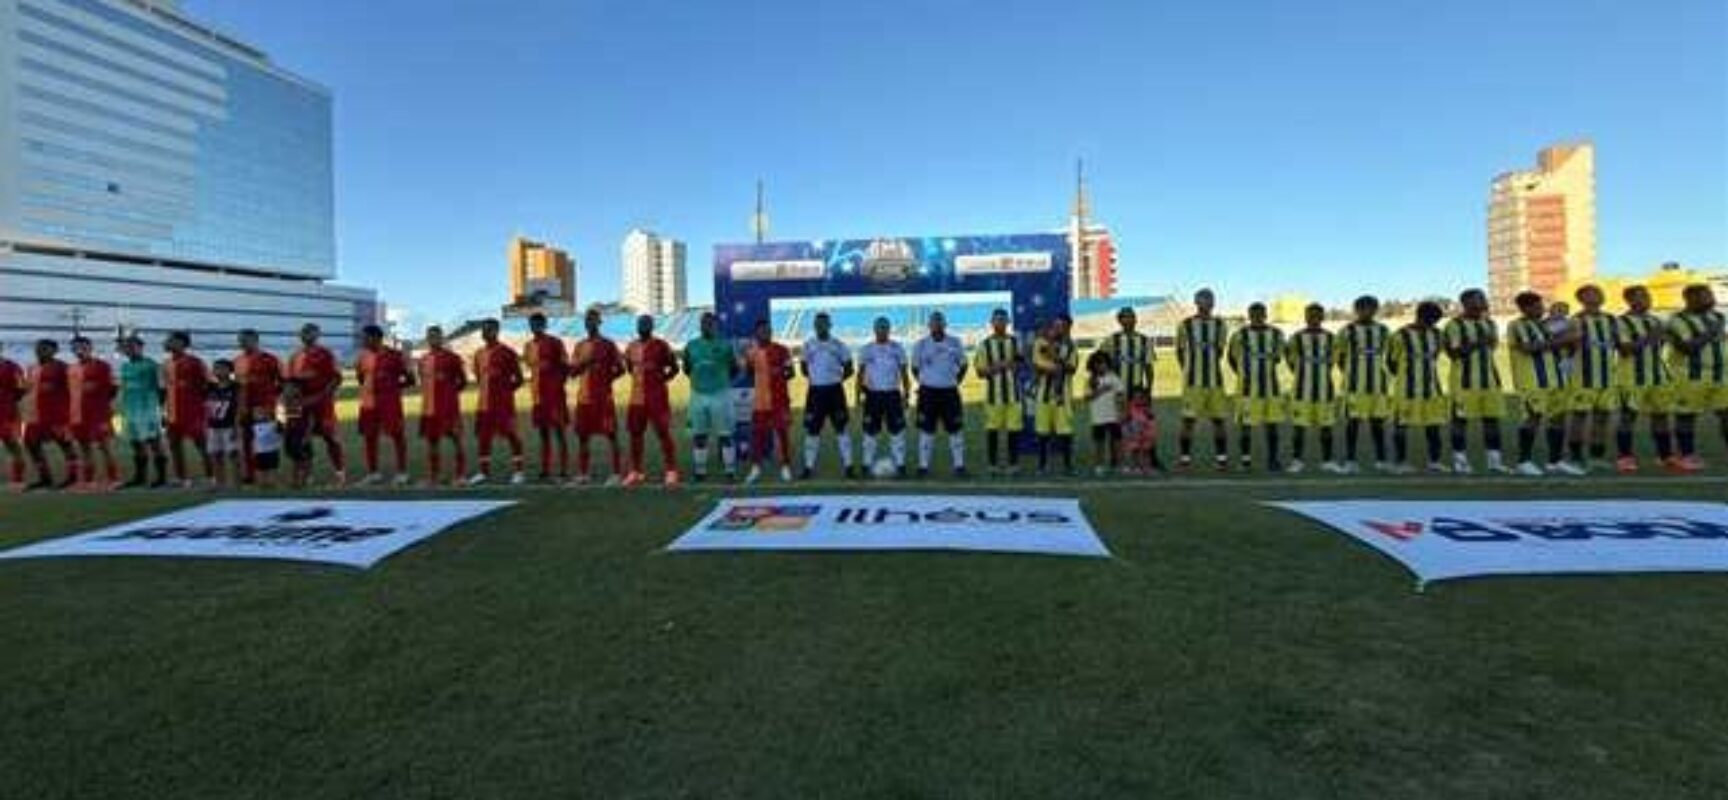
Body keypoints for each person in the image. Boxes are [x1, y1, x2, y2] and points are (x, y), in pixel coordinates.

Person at [1506, 291, 1580, 476]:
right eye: (1537, 306)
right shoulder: (1517, 325)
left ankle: (1555, 461)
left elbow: (1568, 346)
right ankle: (1523, 461)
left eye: (1541, 305)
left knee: (1558, 419)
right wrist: (1565, 339)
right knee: (1533, 419)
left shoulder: (1548, 325)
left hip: (1557, 379)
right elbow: (1529, 348)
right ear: (1524, 308)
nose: (1541, 309)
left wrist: (1571, 340)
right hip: (1533, 381)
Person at [1442, 289, 1510, 474]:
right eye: (1478, 299)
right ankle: (1460, 461)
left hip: (1490, 381)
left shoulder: (1489, 323)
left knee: (1492, 421)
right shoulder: (1454, 325)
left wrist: (1484, 342)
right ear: (1466, 303)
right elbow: (1454, 353)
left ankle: (1494, 461)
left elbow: (1492, 348)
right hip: (1464, 382)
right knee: (1460, 421)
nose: (1483, 301)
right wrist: (1479, 342)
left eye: (1483, 298)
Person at [1613, 284, 1675, 472]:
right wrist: (1651, 336)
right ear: (1630, 300)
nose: (1648, 299)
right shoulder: (1620, 322)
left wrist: (1661, 337)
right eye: (1643, 296)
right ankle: (1625, 458)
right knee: (1628, 417)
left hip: (1658, 376)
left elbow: (1660, 346)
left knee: (1661, 416)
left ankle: (1665, 457)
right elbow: (1624, 350)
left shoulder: (1655, 321)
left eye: (1648, 296)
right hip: (1631, 377)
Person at [1666, 283, 1726, 472]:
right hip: (1689, 376)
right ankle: (1687, 456)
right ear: (1690, 299)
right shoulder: (1677, 320)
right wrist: (1712, 331)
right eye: (1706, 296)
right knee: (1686, 416)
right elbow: (1688, 347)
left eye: (1710, 295)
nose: (1712, 299)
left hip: (1721, 375)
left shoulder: (1717, 316)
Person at [1387, 301, 1449, 474]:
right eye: (1431, 319)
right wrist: (1406, 375)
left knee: (1433, 426)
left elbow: (1435, 357)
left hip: (1432, 388)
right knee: (1402, 426)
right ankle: (1401, 462)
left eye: (1436, 320)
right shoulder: (1400, 335)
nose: (1433, 323)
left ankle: (1434, 461)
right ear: (1420, 316)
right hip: (1406, 389)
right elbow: (1391, 363)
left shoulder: (1438, 335)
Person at [1226, 302, 1287, 472]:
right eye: (1254, 314)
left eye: (1261, 314)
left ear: (1265, 315)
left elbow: (1278, 358)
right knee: (1246, 426)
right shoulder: (1240, 335)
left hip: (1270, 389)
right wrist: (1243, 375)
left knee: (1272, 425)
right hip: (1247, 389)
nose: (1257, 317)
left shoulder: (1276, 334)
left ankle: (1273, 460)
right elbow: (1231, 358)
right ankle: (1245, 461)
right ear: (1249, 315)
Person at [1335, 296, 1391, 473]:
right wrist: (1351, 373)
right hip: (1354, 386)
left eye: (1371, 308)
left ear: (1376, 310)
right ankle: (1351, 461)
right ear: (1356, 310)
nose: (1367, 311)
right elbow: (1340, 357)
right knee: (1353, 424)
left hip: (1377, 385)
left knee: (1378, 424)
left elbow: (1388, 355)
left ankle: (1381, 459)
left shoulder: (1383, 330)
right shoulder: (1347, 331)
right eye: (1363, 308)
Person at [1176, 288, 1231, 470]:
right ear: (1196, 302)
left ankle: (1222, 459)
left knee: (1218, 420)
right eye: (1202, 300)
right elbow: (1180, 351)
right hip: (1193, 383)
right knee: (1188, 421)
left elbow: (1221, 351)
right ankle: (1185, 459)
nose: (1206, 303)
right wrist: (1189, 370)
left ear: (1213, 303)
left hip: (1215, 382)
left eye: (1209, 300)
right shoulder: (1185, 325)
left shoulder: (1221, 325)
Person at [467, 318, 527, 486]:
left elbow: (519, 379)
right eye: (483, 330)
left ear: (496, 331)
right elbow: (480, 378)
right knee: (483, 437)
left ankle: (519, 472)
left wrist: (506, 392)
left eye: (487, 330)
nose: (484, 333)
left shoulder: (507, 352)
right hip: (483, 404)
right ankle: (483, 472)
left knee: (511, 434)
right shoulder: (478, 354)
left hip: (503, 403)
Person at [623, 314, 681, 487]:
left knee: (663, 433)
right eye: (641, 324)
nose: (643, 326)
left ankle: (671, 471)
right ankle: (636, 472)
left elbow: (674, 368)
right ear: (637, 327)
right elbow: (629, 367)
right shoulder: (631, 346)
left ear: (652, 326)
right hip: (636, 398)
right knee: (635, 435)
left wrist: (662, 380)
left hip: (657, 398)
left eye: (647, 324)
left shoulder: (661, 345)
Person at [1566, 285, 1619, 471]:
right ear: (1581, 299)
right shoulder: (1576, 320)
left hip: (1607, 377)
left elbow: (1618, 344)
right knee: (1579, 416)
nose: (1598, 295)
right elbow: (1568, 349)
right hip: (1583, 377)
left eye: (1599, 292)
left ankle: (1596, 456)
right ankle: (1575, 456)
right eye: (1592, 293)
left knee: (1602, 417)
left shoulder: (1611, 319)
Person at [1285, 303, 1342, 473]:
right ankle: (1297, 461)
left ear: (1322, 317)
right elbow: (1290, 361)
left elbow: (1333, 361)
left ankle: (1327, 461)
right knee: (1299, 428)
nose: (1314, 319)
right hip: (1302, 390)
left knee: (1326, 427)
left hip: (1325, 390)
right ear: (1305, 317)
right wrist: (1304, 373)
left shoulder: (1332, 338)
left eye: (1318, 315)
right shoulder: (1296, 338)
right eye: (1311, 315)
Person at [570, 308, 626, 484]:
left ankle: (616, 473)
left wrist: (607, 379)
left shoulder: (608, 345)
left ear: (599, 323)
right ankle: (584, 473)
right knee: (583, 437)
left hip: (603, 398)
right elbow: (572, 373)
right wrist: (584, 364)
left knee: (611, 434)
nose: (590, 323)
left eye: (594, 320)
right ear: (584, 324)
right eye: (587, 321)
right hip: (584, 398)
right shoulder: (579, 346)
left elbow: (621, 369)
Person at [682, 311, 739, 482]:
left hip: (720, 394)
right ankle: (700, 472)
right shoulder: (691, 345)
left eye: (710, 323)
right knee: (699, 435)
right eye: (704, 323)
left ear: (715, 325)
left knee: (725, 434)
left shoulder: (725, 345)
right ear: (700, 325)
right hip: (698, 395)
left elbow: (734, 368)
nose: (706, 326)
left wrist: (720, 380)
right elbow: (686, 368)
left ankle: (730, 471)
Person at [286, 323, 346, 485]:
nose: (305, 335)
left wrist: (322, 396)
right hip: (299, 405)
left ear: (317, 334)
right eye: (303, 332)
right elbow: (290, 382)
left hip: (322, 404)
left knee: (330, 437)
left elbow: (337, 378)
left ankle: (340, 473)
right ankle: (307, 474)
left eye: (310, 332)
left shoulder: (325, 354)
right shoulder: (294, 356)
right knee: (301, 439)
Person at [354, 324, 414, 486]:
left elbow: (411, 380)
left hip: (389, 403)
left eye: (365, 337)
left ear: (376, 338)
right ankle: (373, 473)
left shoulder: (395, 356)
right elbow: (360, 378)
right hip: (368, 403)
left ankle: (402, 473)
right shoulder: (362, 357)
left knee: (397, 436)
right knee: (369, 437)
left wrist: (392, 388)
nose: (363, 341)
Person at [800, 311, 857, 479]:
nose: (821, 327)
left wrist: (835, 379)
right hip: (815, 393)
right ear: (814, 326)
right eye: (818, 324)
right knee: (812, 431)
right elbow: (804, 368)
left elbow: (849, 368)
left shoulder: (838, 345)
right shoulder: (808, 345)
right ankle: (808, 468)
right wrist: (816, 379)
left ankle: (849, 467)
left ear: (829, 325)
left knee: (841, 429)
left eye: (824, 324)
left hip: (835, 392)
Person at [911, 311, 968, 478]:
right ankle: (923, 467)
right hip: (928, 393)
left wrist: (954, 381)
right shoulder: (920, 345)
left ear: (945, 325)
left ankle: (959, 466)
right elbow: (914, 368)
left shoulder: (955, 343)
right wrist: (926, 381)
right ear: (929, 326)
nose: (936, 326)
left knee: (955, 430)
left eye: (939, 323)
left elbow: (964, 365)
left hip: (950, 392)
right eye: (934, 323)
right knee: (926, 431)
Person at [972, 308, 1024, 475]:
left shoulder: (1015, 342)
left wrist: (1014, 365)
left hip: (1013, 395)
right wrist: (1000, 366)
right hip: (994, 397)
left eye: (1003, 320)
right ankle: (992, 464)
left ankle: (1013, 464)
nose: (1000, 323)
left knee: (1013, 431)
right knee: (993, 430)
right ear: (992, 323)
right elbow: (980, 372)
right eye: (997, 320)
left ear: (1007, 322)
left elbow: (1021, 365)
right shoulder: (985, 345)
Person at [856, 316, 911, 477]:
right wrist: (857, 396)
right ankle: (866, 464)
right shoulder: (866, 349)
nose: (882, 331)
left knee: (897, 432)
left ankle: (900, 465)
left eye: (885, 328)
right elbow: (860, 375)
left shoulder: (897, 348)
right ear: (874, 330)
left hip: (893, 395)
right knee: (870, 433)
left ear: (889, 329)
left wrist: (906, 394)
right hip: (872, 396)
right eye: (879, 328)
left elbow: (904, 373)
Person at [743, 318, 794, 484]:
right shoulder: (751, 352)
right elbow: (749, 373)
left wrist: (778, 372)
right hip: (760, 402)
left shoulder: (782, 350)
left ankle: (785, 466)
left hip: (779, 400)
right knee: (757, 435)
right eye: (762, 330)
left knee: (782, 434)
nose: (766, 333)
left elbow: (790, 373)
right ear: (756, 333)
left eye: (768, 330)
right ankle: (756, 468)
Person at [416, 325, 469, 486]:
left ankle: (460, 476)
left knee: (456, 440)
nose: (433, 339)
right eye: (430, 336)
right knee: (432, 443)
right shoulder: (423, 360)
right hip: (428, 409)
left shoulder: (452, 358)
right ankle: (434, 477)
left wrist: (450, 396)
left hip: (448, 409)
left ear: (442, 338)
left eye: (436, 336)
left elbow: (462, 381)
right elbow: (423, 382)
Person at [23, 339, 77, 490]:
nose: (40, 351)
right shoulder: (32, 368)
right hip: (35, 414)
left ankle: (73, 476)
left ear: (55, 351)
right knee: (31, 444)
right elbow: (29, 389)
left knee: (65, 444)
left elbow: (74, 389)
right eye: (38, 348)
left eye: (45, 349)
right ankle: (45, 478)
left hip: (56, 414)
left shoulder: (63, 368)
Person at [523, 313, 571, 481]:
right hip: (537, 397)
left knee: (559, 432)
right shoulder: (528, 346)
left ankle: (564, 469)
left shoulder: (555, 343)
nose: (535, 327)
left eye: (538, 324)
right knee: (543, 434)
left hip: (555, 396)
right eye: (532, 324)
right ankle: (545, 468)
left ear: (544, 325)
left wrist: (558, 385)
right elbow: (531, 367)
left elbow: (566, 366)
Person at [68, 336, 119, 490]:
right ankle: (89, 481)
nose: (79, 350)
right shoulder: (71, 369)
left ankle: (114, 479)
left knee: (104, 447)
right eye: (76, 347)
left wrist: (101, 406)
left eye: (83, 347)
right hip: (77, 414)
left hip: (98, 415)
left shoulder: (102, 366)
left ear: (90, 348)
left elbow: (113, 389)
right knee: (84, 448)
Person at [117, 335, 168, 488]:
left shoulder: (151, 365)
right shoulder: (125, 366)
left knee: (154, 442)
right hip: (130, 409)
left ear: (141, 347)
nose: (129, 349)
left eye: (132, 346)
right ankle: (140, 477)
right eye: (126, 347)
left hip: (148, 409)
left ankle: (161, 477)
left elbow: (162, 389)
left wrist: (159, 408)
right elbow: (124, 388)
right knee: (136, 443)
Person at [232, 329, 283, 485]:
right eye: (239, 340)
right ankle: (250, 475)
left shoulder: (270, 359)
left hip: (264, 409)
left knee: (266, 442)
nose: (241, 343)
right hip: (244, 408)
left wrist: (272, 402)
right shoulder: (237, 361)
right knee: (246, 442)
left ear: (255, 340)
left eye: (244, 340)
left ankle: (270, 475)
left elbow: (284, 383)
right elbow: (237, 386)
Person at [1032, 314, 1079, 476]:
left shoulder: (1071, 346)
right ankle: (1042, 465)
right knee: (1042, 433)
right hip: (1043, 396)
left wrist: (1055, 358)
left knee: (1065, 432)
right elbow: (1037, 367)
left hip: (1063, 397)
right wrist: (1057, 366)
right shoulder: (1040, 342)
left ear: (1068, 328)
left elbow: (1072, 369)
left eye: (1063, 326)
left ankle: (1067, 465)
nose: (1059, 328)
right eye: (1056, 325)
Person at [162, 331, 210, 485]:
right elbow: (165, 389)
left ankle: (212, 476)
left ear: (182, 343)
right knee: (174, 446)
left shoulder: (195, 362)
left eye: (170, 340)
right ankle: (181, 478)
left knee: (202, 445)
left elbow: (207, 386)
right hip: (172, 413)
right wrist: (164, 410)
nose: (167, 343)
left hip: (193, 412)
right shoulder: (166, 364)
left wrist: (201, 407)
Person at [1102, 306, 1156, 400]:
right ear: (1120, 321)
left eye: (1131, 317)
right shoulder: (1111, 340)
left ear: (1135, 320)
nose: (1128, 320)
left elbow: (1148, 367)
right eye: (1125, 317)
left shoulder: (1145, 340)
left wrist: (1149, 389)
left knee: (1137, 414)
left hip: (1137, 389)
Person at [1084, 350, 1124, 476]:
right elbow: (1087, 398)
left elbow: (1120, 394)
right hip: (1098, 417)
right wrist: (1101, 390)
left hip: (1113, 416)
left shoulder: (1113, 378)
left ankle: (1117, 464)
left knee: (1116, 441)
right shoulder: (1091, 380)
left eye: (1103, 363)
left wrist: (1121, 411)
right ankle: (1099, 465)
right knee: (1099, 443)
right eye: (1098, 363)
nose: (1101, 366)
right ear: (1093, 365)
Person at [205, 359, 240, 489]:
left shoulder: (236, 387)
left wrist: (237, 426)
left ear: (229, 370)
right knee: (216, 454)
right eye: (215, 368)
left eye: (221, 368)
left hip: (229, 425)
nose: (218, 371)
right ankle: (220, 482)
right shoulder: (210, 387)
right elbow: (207, 406)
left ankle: (236, 483)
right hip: (213, 425)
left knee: (233, 454)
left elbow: (239, 407)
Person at [0, 347, 25, 488]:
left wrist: (9, 399)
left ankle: (18, 479)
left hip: (8, 414)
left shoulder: (13, 367)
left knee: (13, 445)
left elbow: (22, 388)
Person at [281, 379, 313, 488]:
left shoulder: (304, 402)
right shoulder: (283, 403)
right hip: (290, 435)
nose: (287, 390)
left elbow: (310, 420)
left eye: (291, 387)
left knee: (305, 458)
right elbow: (281, 421)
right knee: (295, 459)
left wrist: (307, 435)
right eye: (286, 388)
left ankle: (305, 480)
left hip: (302, 434)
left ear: (298, 389)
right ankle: (295, 481)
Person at [1120, 389, 1160, 474]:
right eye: (1136, 397)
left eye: (1140, 397)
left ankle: (1146, 467)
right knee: (1135, 450)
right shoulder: (1130, 408)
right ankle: (1135, 466)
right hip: (1134, 433)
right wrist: (1127, 430)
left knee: (1146, 451)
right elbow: (1124, 420)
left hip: (1145, 433)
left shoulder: (1146, 409)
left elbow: (1152, 420)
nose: (1138, 399)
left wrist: (1152, 433)